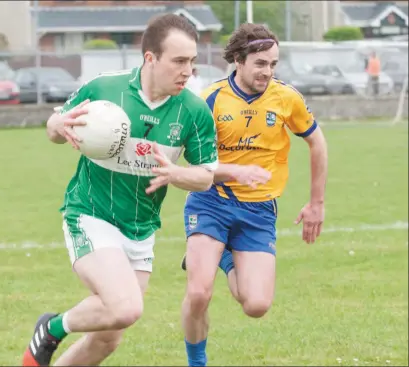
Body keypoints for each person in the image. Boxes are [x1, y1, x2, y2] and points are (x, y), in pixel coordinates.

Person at [21, 14, 219, 367]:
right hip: (91, 214)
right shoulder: (104, 90)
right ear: (150, 58)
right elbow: (56, 127)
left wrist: (175, 173)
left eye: (192, 61)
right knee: (125, 307)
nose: (188, 71)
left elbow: (205, 176)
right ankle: (52, 328)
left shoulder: (193, 111)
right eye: (178, 61)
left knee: (107, 339)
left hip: (141, 229)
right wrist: (56, 123)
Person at [180, 23, 328, 366]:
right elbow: (192, 162)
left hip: (260, 209)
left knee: (256, 305)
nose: (268, 71)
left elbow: (317, 142)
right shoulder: (211, 100)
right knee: (199, 292)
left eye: (273, 64)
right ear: (238, 60)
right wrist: (231, 172)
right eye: (260, 63)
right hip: (211, 202)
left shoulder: (286, 98)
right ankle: (196, 362)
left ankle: (224, 257)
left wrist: (316, 203)